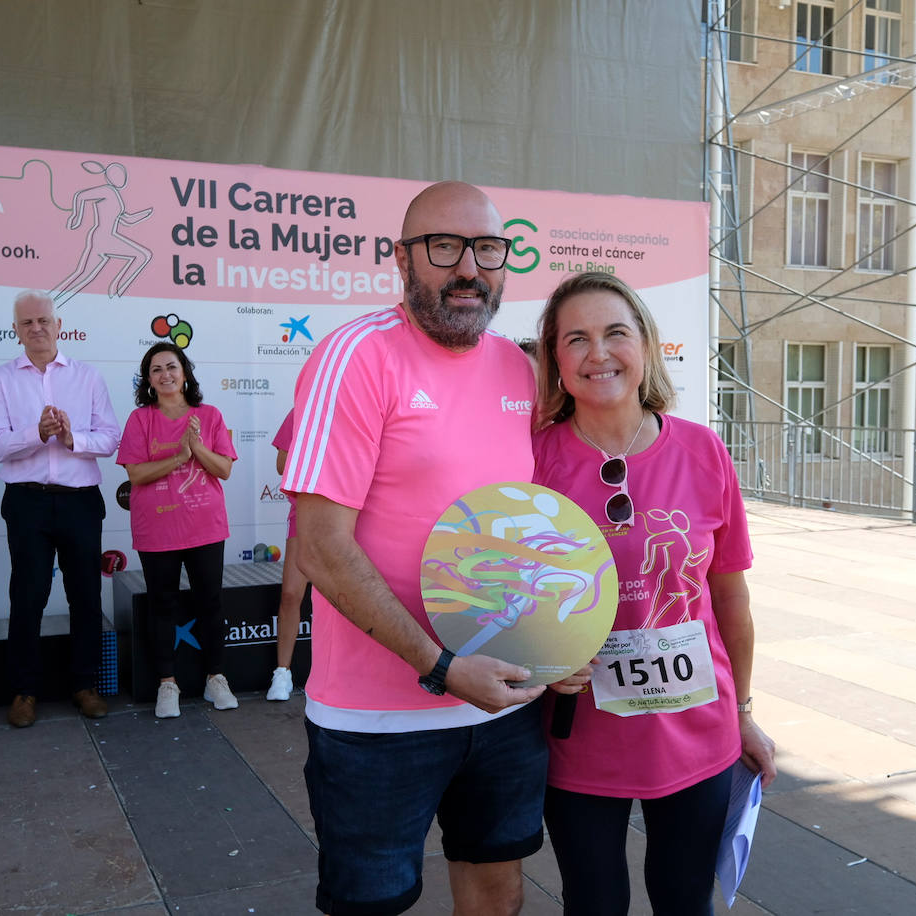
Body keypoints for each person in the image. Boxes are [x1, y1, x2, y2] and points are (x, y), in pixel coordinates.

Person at [282, 181, 564, 916]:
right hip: (379, 725)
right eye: (444, 247)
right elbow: (320, 547)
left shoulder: (522, 370)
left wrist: (563, 642)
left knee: (498, 890)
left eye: (488, 249)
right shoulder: (355, 358)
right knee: (370, 905)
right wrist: (440, 668)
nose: (468, 267)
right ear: (402, 258)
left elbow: (540, 530)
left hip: (505, 705)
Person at [530, 272, 776, 915]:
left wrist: (743, 713)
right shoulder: (530, 460)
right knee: (593, 902)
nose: (598, 353)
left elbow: (731, 601)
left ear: (646, 344)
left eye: (616, 332)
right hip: (581, 737)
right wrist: (541, 661)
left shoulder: (703, 451)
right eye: (575, 339)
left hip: (697, 732)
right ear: (555, 361)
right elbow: (509, 597)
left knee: (684, 900)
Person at [0, 290, 119, 728]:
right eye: (27, 323)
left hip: (80, 502)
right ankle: (24, 692)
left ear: (59, 325)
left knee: (85, 595)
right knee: (27, 596)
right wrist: (36, 433)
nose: (36, 329)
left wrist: (72, 438)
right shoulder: (0, 379)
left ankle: (85, 685)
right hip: (27, 502)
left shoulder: (89, 377)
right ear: (16, 331)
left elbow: (110, 438)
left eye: (43, 320)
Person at [116, 343, 237, 718]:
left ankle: (216, 678)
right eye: (156, 369)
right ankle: (167, 684)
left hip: (205, 526)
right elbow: (136, 474)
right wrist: (179, 457)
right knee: (161, 604)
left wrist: (196, 447)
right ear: (148, 380)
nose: (165, 374)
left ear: (185, 372)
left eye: (172, 366)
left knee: (210, 602)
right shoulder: (140, 420)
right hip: (158, 529)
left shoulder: (210, 415)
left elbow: (224, 470)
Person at [265, 408, 307, 701]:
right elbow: (282, 464)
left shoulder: (366, 406)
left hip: (353, 514)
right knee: (292, 594)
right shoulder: (304, 408)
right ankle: (283, 672)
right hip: (307, 512)